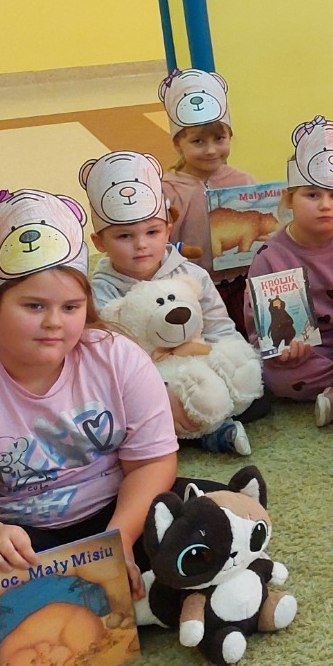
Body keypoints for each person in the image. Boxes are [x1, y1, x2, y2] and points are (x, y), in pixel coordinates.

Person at [0, 189, 178, 602]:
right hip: (18, 540)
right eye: (33, 306)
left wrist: (118, 541)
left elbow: (152, 462)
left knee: (207, 514)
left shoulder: (118, 359)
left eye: (70, 307)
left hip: (115, 515)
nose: (54, 323)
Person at [84, 149, 256, 454]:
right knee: (134, 410)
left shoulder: (192, 274)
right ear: (100, 242)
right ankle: (209, 432)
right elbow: (108, 359)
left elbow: (219, 326)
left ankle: (199, 425)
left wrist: (230, 360)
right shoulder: (101, 292)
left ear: (168, 229)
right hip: (148, 379)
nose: (141, 244)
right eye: (124, 236)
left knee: (255, 392)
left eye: (152, 232)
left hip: (199, 365)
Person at [245, 117, 333, 427]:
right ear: (290, 198)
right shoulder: (270, 257)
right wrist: (282, 351)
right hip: (310, 353)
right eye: (312, 195)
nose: (325, 205)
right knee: (275, 376)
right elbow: (260, 329)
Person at [158, 69, 253, 326]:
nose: (211, 150)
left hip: (241, 283)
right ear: (178, 144)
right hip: (189, 286)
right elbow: (161, 241)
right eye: (198, 142)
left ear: (230, 137)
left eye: (219, 139)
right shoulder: (167, 189)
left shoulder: (244, 182)